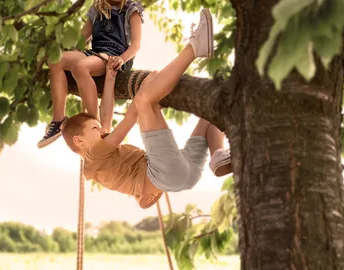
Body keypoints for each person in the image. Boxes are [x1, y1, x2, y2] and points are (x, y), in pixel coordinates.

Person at [61, 9, 232, 209]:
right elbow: (127, 122)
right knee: (143, 101)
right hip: (162, 173)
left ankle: (218, 154)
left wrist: (110, 78)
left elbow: (105, 113)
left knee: (210, 117)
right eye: (94, 129)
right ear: (79, 140)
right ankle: (194, 49)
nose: (100, 130)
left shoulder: (99, 159)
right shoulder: (95, 154)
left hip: (185, 173)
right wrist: (147, 87)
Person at [38, 0, 143, 148]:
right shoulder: (97, 9)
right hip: (94, 53)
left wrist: (122, 59)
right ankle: (58, 120)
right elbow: (81, 39)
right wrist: (63, 45)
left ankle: (95, 122)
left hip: (114, 55)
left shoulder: (132, 9)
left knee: (80, 67)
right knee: (55, 60)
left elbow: (136, 45)